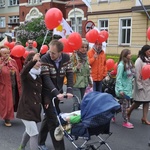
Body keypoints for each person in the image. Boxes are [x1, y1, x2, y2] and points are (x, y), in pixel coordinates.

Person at [38, 39, 73, 150]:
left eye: (53, 53)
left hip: (58, 94)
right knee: (54, 122)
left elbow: (70, 74)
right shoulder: (45, 58)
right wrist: (56, 93)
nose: (50, 54)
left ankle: (40, 142)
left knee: (49, 117)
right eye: (49, 51)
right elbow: (46, 78)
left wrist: (70, 90)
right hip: (47, 95)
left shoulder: (66, 58)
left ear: (60, 52)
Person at [16, 52, 42, 150]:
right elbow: (23, 72)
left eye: (40, 61)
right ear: (30, 62)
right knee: (34, 133)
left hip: (35, 109)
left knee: (29, 130)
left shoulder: (39, 75)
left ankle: (21, 147)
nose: (39, 63)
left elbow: (42, 92)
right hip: (26, 109)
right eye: (37, 61)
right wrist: (33, 60)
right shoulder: (25, 76)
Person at [127, 45, 150, 125]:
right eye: (149, 51)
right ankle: (129, 111)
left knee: (147, 101)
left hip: (148, 84)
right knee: (138, 102)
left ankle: (144, 118)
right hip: (141, 84)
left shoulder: (148, 60)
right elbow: (137, 74)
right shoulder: (139, 60)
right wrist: (139, 85)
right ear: (145, 51)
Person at [0, 45, 21, 127]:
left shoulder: (12, 61)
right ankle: (7, 118)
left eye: (8, 53)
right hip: (3, 86)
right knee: (6, 102)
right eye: (4, 53)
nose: (6, 55)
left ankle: (8, 114)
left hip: (13, 84)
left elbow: (17, 71)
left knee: (12, 101)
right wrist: (2, 65)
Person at [115, 49, 135, 129]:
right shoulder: (121, 65)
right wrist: (120, 89)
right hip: (123, 90)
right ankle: (125, 121)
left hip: (128, 89)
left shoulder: (129, 64)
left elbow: (131, 76)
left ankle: (113, 113)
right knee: (125, 106)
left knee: (121, 105)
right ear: (125, 55)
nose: (131, 55)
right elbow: (118, 78)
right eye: (129, 54)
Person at [71, 40, 92, 111]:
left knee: (81, 102)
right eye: (82, 47)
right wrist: (76, 68)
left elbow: (87, 71)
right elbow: (68, 70)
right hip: (76, 83)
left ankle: (78, 117)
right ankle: (74, 118)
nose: (84, 49)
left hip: (84, 83)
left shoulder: (86, 57)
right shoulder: (74, 57)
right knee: (77, 102)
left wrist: (89, 82)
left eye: (86, 47)